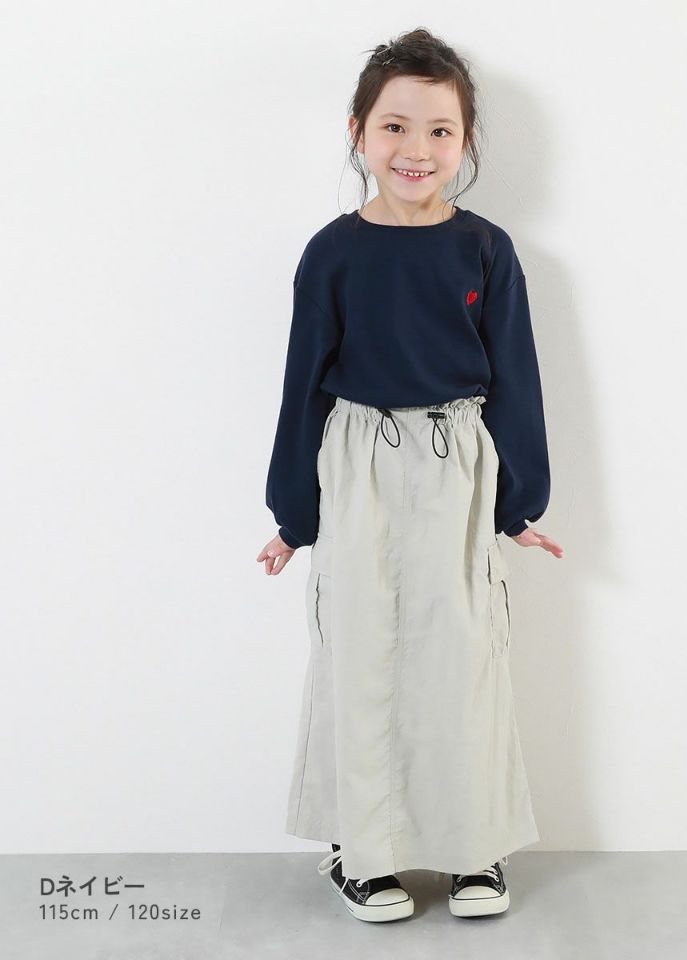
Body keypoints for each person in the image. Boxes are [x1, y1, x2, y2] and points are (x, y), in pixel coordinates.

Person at [257, 27, 564, 923]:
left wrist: (519, 504)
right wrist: (294, 516)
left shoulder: (486, 250)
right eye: (394, 127)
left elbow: (515, 380)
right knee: (360, 657)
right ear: (359, 132)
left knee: (461, 658)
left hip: (455, 461)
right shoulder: (332, 251)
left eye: (439, 130)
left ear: (465, 142)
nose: (415, 149)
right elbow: (303, 386)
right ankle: (363, 852)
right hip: (358, 461)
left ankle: (473, 848)